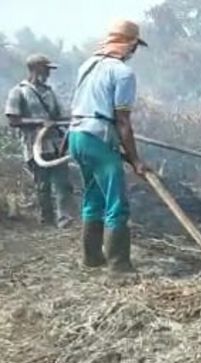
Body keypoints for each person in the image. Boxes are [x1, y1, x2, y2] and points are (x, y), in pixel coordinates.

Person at [68, 20, 149, 273]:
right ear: (130, 45)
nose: (134, 53)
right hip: (98, 138)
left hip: (77, 136)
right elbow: (122, 121)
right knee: (116, 203)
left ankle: (91, 258)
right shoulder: (123, 73)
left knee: (93, 195)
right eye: (135, 47)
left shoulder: (87, 65)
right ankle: (119, 265)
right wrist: (136, 160)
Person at [4, 54, 74, 228]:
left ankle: (64, 220)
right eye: (46, 69)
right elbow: (13, 120)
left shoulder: (49, 92)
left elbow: (58, 116)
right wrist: (39, 123)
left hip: (57, 146)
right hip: (35, 146)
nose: (49, 73)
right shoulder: (18, 91)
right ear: (35, 69)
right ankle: (47, 221)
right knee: (43, 186)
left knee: (63, 184)